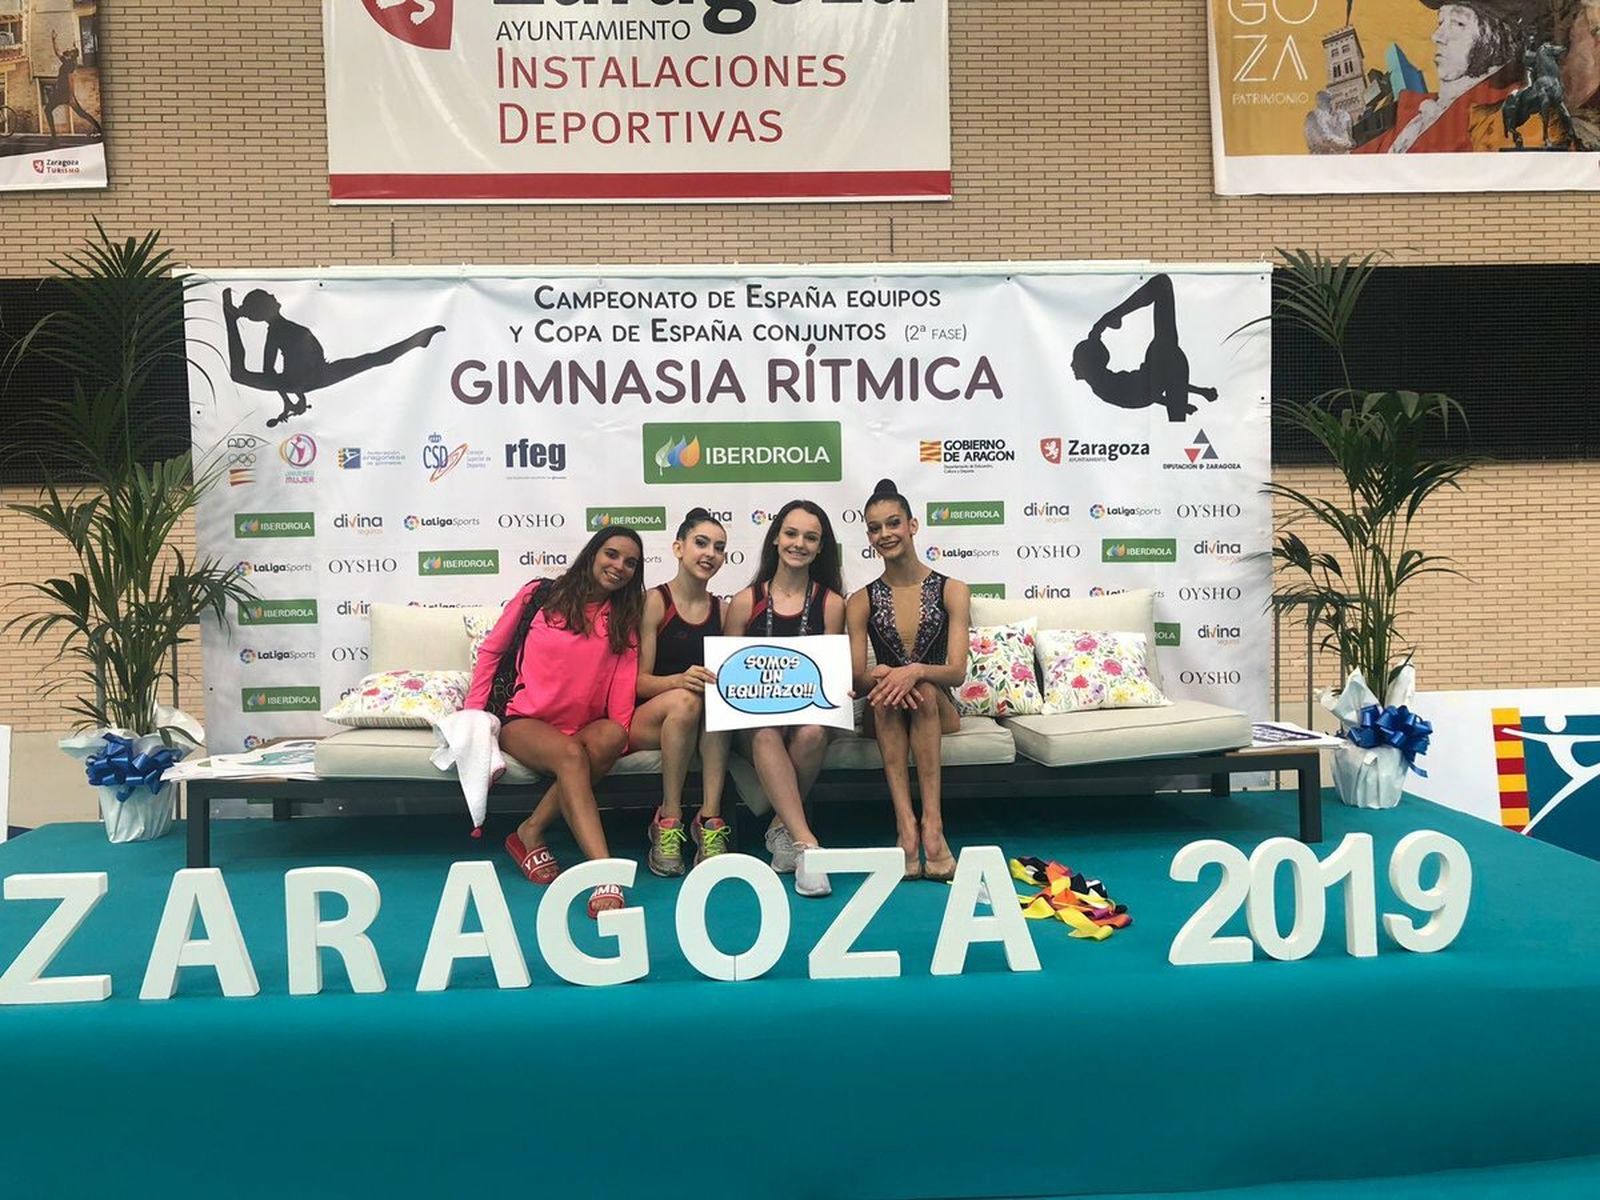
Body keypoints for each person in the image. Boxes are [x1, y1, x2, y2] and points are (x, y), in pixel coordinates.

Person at [466, 526, 644, 917]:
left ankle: (529, 830)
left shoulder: (623, 617)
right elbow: (492, 651)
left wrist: (619, 740)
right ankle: (603, 873)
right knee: (571, 756)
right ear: (593, 553)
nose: (619, 566)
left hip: (583, 726)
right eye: (612, 554)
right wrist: (474, 715)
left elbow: (623, 683)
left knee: (611, 736)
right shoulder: (540, 595)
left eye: (630, 563)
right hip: (524, 721)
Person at [846, 479, 972, 882]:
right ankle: (906, 826)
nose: (885, 534)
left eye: (893, 523)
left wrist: (914, 671)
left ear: (912, 526)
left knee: (922, 691)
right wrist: (881, 675)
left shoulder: (953, 589)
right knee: (886, 697)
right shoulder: (860, 600)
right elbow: (857, 679)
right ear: (869, 536)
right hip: (882, 709)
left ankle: (933, 825)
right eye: (875, 528)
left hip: (938, 705)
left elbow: (956, 672)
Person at [723, 499, 847, 897]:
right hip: (755, 725)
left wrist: (840, 685)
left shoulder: (832, 604)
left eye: (810, 537)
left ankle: (782, 830)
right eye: (791, 533)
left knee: (812, 733)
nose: (799, 544)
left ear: (820, 547)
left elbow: (830, 673)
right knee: (764, 731)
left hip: (808, 719)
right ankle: (808, 845)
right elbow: (728, 676)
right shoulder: (745, 601)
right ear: (775, 538)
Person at [630, 507, 735, 876]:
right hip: (647, 721)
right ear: (678, 548)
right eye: (701, 543)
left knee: (717, 703)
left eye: (719, 548)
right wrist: (678, 680)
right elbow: (637, 682)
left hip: (701, 721)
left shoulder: (724, 611)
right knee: (690, 699)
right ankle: (669, 817)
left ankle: (709, 819)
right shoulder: (655, 601)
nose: (710, 554)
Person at [222, 287, 445, 427]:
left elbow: (275, 375)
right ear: (267, 306)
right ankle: (417, 340)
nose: (273, 295)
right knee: (372, 359)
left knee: (239, 374)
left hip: (310, 377)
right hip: (315, 376)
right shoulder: (280, 332)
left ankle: (230, 319)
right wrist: (293, 397)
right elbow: (276, 373)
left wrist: (293, 398)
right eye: (268, 296)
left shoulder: (279, 332)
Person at [1356, 0, 1544, 153]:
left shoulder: (1508, 118)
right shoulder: (1418, 109)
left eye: (1457, 23)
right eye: (1440, 22)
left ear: (1496, 36)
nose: (1437, 36)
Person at [1071, 274, 1218, 424]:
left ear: (1089, 365)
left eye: (1075, 361)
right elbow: (1146, 392)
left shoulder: (1102, 383)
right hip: (1160, 371)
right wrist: (1196, 394)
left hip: (1158, 368)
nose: (1072, 365)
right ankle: (1115, 315)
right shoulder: (1102, 385)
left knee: (1162, 285)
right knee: (1162, 284)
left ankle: (1115, 315)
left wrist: (1196, 394)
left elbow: (1145, 392)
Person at [44, 31, 102, 140]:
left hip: (65, 93)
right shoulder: (67, 62)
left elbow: (71, 80)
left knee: (49, 110)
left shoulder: (70, 64)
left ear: (72, 55)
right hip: (61, 92)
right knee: (80, 113)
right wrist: (53, 40)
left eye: (70, 51)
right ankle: (99, 129)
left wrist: (71, 96)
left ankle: (54, 136)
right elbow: (57, 52)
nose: (68, 50)